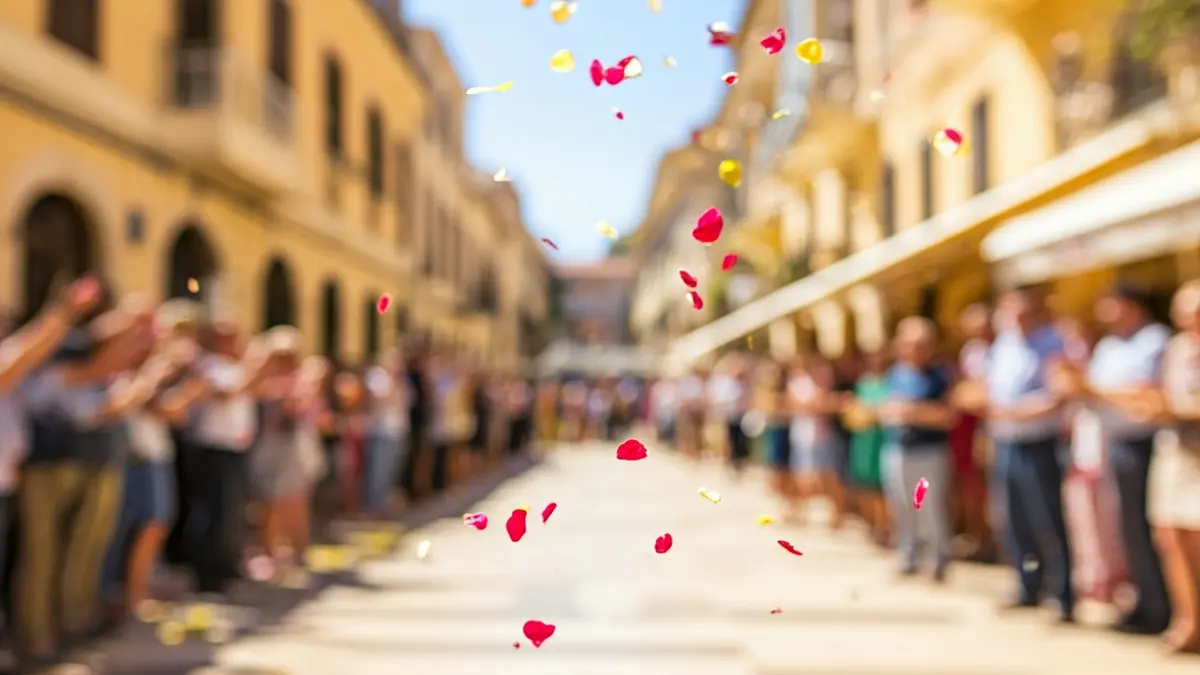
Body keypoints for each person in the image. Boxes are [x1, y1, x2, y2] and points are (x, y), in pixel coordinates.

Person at [18, 297, 170, 667]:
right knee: (42, 555)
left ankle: (74, 624)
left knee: (85, 552)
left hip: (99, 465)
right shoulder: (64, 358)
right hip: (51, 467)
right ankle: (37, 638)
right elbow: (95, 410)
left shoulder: (113, 372)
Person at [1062, 285, 1171, 635]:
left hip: (1146, 442)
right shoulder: (1109, 346)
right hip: (1116, 444)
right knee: (1127, 528)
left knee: (1150, 526)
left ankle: (1161, 606)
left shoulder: (1155, 339)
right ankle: (1145, 599)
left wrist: (1091, 390)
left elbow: (1147, 391)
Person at [102, 317, 207, 626]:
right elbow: (144, 404)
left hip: (155, 455)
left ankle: (137, 595)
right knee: (136, 529)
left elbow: (172, 414)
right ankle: (125, 598)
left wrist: (185, 389)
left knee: (156, 525)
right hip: (136, 459)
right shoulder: (125, 373)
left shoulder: (154, 374)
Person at [979, 289, 1073, 623]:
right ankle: (1027, 585)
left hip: (1039, 442)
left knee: (1047, 519)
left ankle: (1062, 593)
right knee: (1014, 519)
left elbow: (1060, 392)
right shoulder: (1002, 345)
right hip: (1006, 442)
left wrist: (1020, 412)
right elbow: (988, 390)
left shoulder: (1052, 342)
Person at [1135, 280, 1200, 652]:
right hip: (1174, 451)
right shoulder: (1177, 349)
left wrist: (1170, 410)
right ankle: (1186, 619)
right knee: (1170, 536)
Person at [188, 318, 270, 595]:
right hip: (214, 448)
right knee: (215, 512)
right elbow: (227, 392)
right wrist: (255, 364)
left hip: (234, 449)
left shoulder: (234, 367)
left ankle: (227, 565)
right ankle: (208, 575)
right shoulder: (209, 366)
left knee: (232, 512)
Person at [879, 317, 957, 582]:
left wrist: (913, 412)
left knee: (929, 507)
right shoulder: (896, 373)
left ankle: (937, 558)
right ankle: (909, 554)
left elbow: (948, 415)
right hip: (897, 448)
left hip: (928, 451)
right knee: (901, 505)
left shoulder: (938, 375)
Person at [952, 303, 996, 562]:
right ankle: (982, 537)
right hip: (975, 428)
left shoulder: (1004, 349)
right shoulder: (971, 352)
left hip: (998, 426)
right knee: (974, 486)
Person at [846, 350, 891, 547]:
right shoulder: (864, 383)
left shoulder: (891, 382)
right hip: (865, 440)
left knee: (882, 487)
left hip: (882, 439)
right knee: (866, 485)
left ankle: (885, 527)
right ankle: (872, 524)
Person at [363, 349, 408, 517]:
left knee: (391, 469)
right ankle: (374, 506)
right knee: (378, 470)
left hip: (397, 431)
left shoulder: (400, 379)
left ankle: (383, 502)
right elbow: (381, 401)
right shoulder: (378, 377)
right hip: (382, 432)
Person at [709, 357, 750, 475]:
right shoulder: (727, 383)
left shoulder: (742, 383)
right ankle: (731, 461)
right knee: (731, 439)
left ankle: (739, 461)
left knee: (740, 440)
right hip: (730, 416)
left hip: (740, 416)